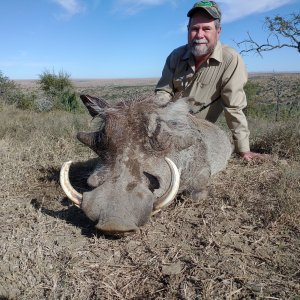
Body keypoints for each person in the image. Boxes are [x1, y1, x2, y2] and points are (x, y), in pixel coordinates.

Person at [155, 1, 266, 161]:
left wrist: (243, 149)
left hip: (198, 132)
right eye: (194, 29)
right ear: (188, 30)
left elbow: (234, 107)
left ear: (218, 32)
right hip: (166, 124)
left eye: (206, 29)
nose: (199, 35)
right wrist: (160, 115)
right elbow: (163, 91)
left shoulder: (230, 60)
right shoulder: (175, 56)